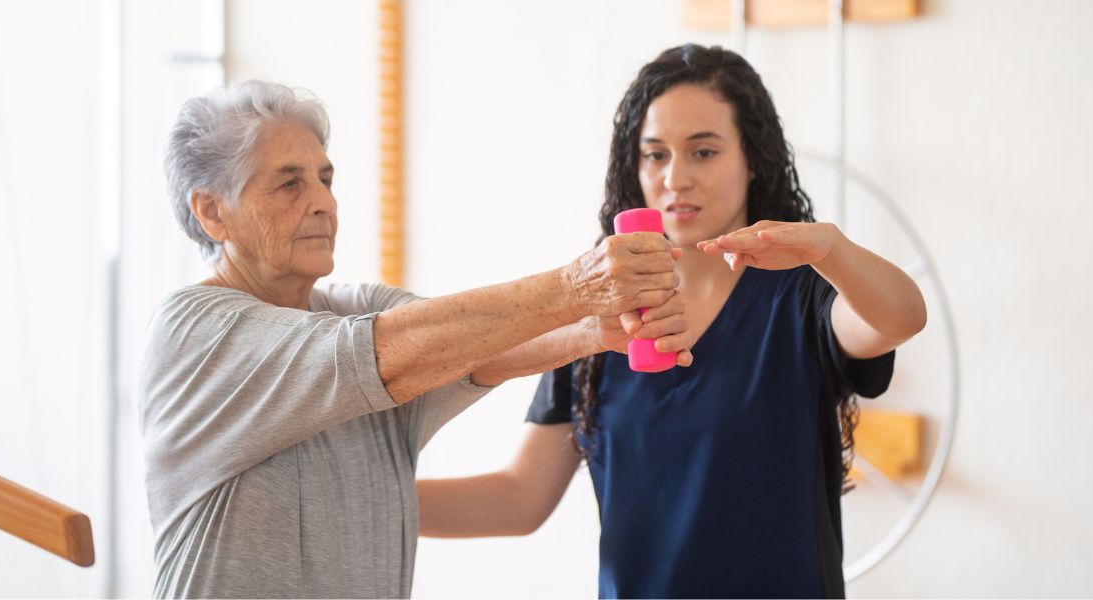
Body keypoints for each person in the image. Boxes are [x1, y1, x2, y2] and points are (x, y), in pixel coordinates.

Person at [139, 80, 694, 599]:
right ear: (213, 212)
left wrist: (593, 330)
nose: (324, 203)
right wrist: (576, 288)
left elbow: (469, 350)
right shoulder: (193, 331)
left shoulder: (359, 309)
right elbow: (381, 355)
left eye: (325, 180)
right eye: (290, 182)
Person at [416, 44, 928, 598]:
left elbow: (900, 317)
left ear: (751, 158)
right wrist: (362, 494)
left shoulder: (801, 300)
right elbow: (518, 498)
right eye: (655, 155)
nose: (675, 178)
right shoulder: (599, 322)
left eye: (703, 152)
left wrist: (829, 247)